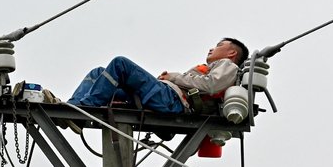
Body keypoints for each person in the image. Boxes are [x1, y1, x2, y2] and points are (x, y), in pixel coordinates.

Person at [67, 38, 249, 114]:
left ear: (231, 53)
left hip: (172, 100)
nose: (211, 48)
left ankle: (82, 108)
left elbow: (211, 85)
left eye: (218, 45)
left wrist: (173, 77)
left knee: (120, 64)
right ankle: (73, 107)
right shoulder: (216, 66)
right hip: (166, 96)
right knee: (98, 73)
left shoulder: (228, 66)